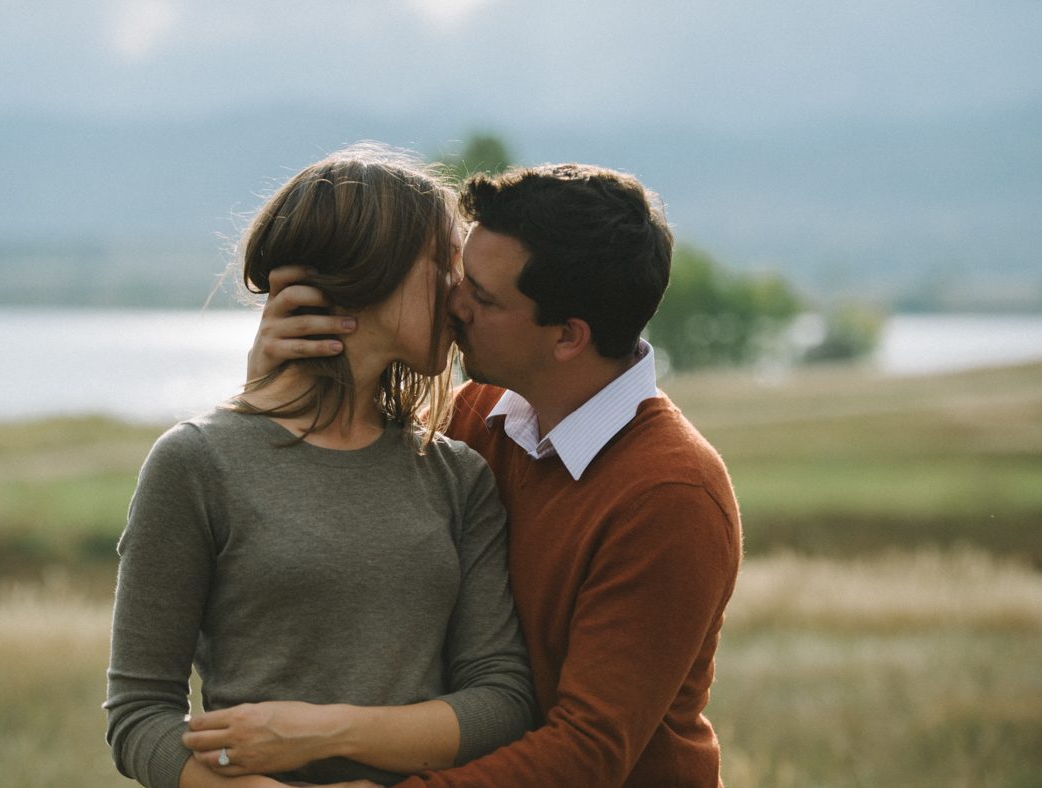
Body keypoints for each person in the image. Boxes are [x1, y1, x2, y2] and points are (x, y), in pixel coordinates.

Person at [234, 162, 743, 786]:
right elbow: (332, 502)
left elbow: (587, 752)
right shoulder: (471, 417)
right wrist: (271, 384)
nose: (454, 301)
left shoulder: (670, 495)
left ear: (567, 338)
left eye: (484, 296)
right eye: (458, 275)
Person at [104, 144, 535, 788]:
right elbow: (139, 717)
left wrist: (328, 729)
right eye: (446, 263)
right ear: (367, 273)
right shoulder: (195, 463)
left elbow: (501, 699)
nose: (461, 293)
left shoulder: (457, 476)